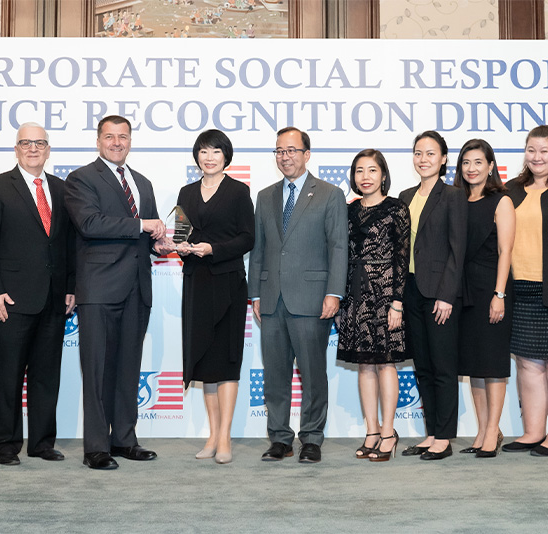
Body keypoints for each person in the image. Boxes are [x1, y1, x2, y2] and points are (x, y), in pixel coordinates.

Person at [64, 115, 173, 470]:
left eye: (122, 136)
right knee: (97, 370)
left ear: (130, 141)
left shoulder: (142, 182)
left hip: (137, 288)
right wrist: (142, 224)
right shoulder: (81, 178)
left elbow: (148, 234)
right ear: (98, 141)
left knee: (128, 368)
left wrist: (161, 244)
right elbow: (89, 223)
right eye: (109, 136)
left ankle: (124, 439)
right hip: (99, 287)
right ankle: (96, 447)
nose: (116, 142)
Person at [0, 123, 76, 466]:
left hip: (54, 299)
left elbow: (68, 244)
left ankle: (42, 443)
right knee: (9, 375)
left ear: (48, 150)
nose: (33, 148)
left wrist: (71, 287)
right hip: (10, 300)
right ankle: (5, 444)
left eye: (39, 143)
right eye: (26, 143)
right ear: (16, 149)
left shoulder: (62, 189)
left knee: (46, 375)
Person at [248, 127, 348, 464]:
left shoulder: (330, 194)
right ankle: (279, 438)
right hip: (271, 298)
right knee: (275, 375)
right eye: (279, 151)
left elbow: (338, 247)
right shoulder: (265, 196)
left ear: (307, 154)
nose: (285, 156)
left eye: (291, 150)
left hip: (312, 298)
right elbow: (259, 249)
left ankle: (312, 438)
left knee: (312, 374)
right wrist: (255, 293)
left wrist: (334, 292)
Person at [175, 129, 254, 464]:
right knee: (205, 361)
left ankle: (225, 437)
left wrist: (214, 249)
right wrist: (181, 247)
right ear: (197, 156)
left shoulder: (238, 191)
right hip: (197, 282)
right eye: (204, 151)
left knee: (227, 361)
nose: (209, 158)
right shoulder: (186, 192)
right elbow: (180, 233)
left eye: (216, 151)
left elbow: (248, 238)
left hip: (228, 283)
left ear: (226, 156)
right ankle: (212, 434)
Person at [503, 125, 548, 457]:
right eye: (531, 150)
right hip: (519, 289)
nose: (537, 157)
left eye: (544, 150)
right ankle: (533, 432)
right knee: (527, 363)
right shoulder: (511, 190)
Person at [336, 149, 409, 462]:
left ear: (383, 175)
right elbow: (341, 256)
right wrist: (341, 302)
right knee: (364, 364)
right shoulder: (348, 210)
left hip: (386, 295)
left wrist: (397, 303)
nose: (365, 177)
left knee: (385, 363)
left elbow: (403, 258)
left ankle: (389, 433)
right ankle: (372, 431)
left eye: (372, 170)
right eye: (359, 171)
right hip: (355, 293)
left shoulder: (397, 208)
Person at [398, 131, 467, 461]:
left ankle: (444, 437)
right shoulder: (405, 195)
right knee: (423, 366)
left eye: (430, 153)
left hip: (439, 293)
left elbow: (457, 250)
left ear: (443, 159)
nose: (423, 159)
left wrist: (447, 295)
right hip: (411, 290)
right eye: (418, 153)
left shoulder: (453, 196)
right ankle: (431, 433)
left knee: (443, 367)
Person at [453, 139, 515, 458]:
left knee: (492, 362)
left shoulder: (501, 201)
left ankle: (493, 430)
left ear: (490, 166)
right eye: (466, 162)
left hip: (492, 287)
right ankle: (481, 430)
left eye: (478, 162)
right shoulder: (456, 200)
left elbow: (506, 251)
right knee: (473, 364)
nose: (471, 168)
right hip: (463, 291)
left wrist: (499, 294)